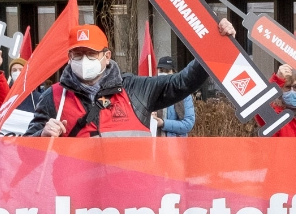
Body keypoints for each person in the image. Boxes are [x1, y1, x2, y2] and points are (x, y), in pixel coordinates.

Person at [26, 23, 211, 138]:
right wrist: (41, 135)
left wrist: (213, 45)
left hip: (132, 198)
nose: (84, 60)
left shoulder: (135, 88)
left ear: (107, 56)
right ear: (69, 57)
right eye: (78, 54)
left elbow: (182, 83)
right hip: (77, 199)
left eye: (91, 54)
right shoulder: (54, 96)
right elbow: (23, 151)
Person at [156, 57, 197, 137]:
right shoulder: (151, 92)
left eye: (167, 71)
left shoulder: (184, 94)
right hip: (154, 145)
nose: (164, 74)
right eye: (161, 71)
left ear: (174, 72)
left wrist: (163, 123)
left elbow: (188, 124)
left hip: (177, 145)